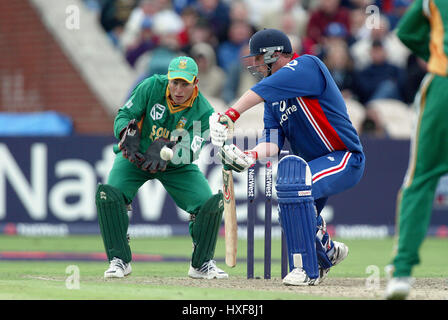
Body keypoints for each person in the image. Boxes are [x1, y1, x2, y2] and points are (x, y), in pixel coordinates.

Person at [209, 28, 365, 286]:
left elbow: (262, 89)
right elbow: (271, 141)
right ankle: (326, 252)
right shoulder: (273, 100)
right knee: (287, 210)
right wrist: (250, 155)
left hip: (345, 156)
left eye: (258, 58)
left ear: (275, 54)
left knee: (295, 192)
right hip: (310, 166)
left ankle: (306, 271)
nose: (256, 65)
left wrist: (230, 115)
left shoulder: (307, 65)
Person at [96, 56, 228, 280]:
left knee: (209, 204)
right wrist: (125, 132)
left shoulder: (204, 112)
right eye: (174, 82)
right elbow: (124, 114)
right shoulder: (151, 86)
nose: (178, 89)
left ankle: (202, 264)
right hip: (135, 156)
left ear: (195, 82)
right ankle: (119, 260)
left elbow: (190, 152)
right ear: (167, 79)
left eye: (184, 84)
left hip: (175, 166)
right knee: (109, 195)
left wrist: (169, 154)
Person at [385, 0, 448, 300]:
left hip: (444, 88)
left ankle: (402, 273)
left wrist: (433, 54)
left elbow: (408, 31)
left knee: (420, 180)